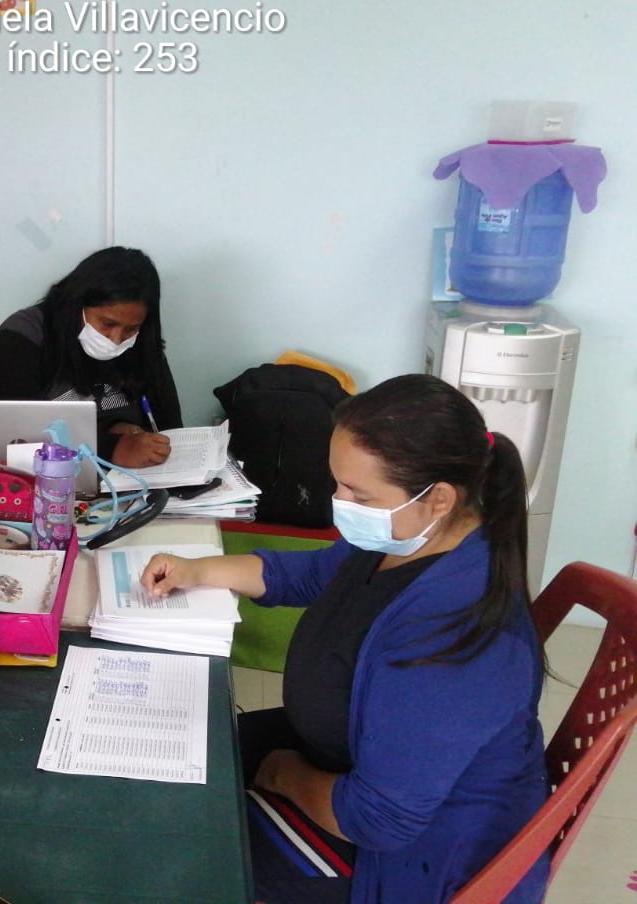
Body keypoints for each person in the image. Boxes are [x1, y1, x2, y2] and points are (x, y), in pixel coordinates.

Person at [140, 374, 548, 904]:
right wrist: (197, 570)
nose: (340, 502)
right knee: (163, 762)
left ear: (439, 499)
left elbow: (380, 819)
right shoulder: (403, 538)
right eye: (338, 483)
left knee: (168, 854)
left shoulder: (457, 638)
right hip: (335, 758)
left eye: (358, 493)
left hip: (400, 858)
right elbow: (309, 574)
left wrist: (286, 776)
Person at [0, 246, 182, 469]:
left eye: (130, 329)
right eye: (107, 324)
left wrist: (127, 431)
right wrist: (113, 447)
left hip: (133, 479)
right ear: (77, 305)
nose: (116, 339)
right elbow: (16, 439)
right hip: (49, 478)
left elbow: (169, 426)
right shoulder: (24, 335)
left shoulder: (143, 341)